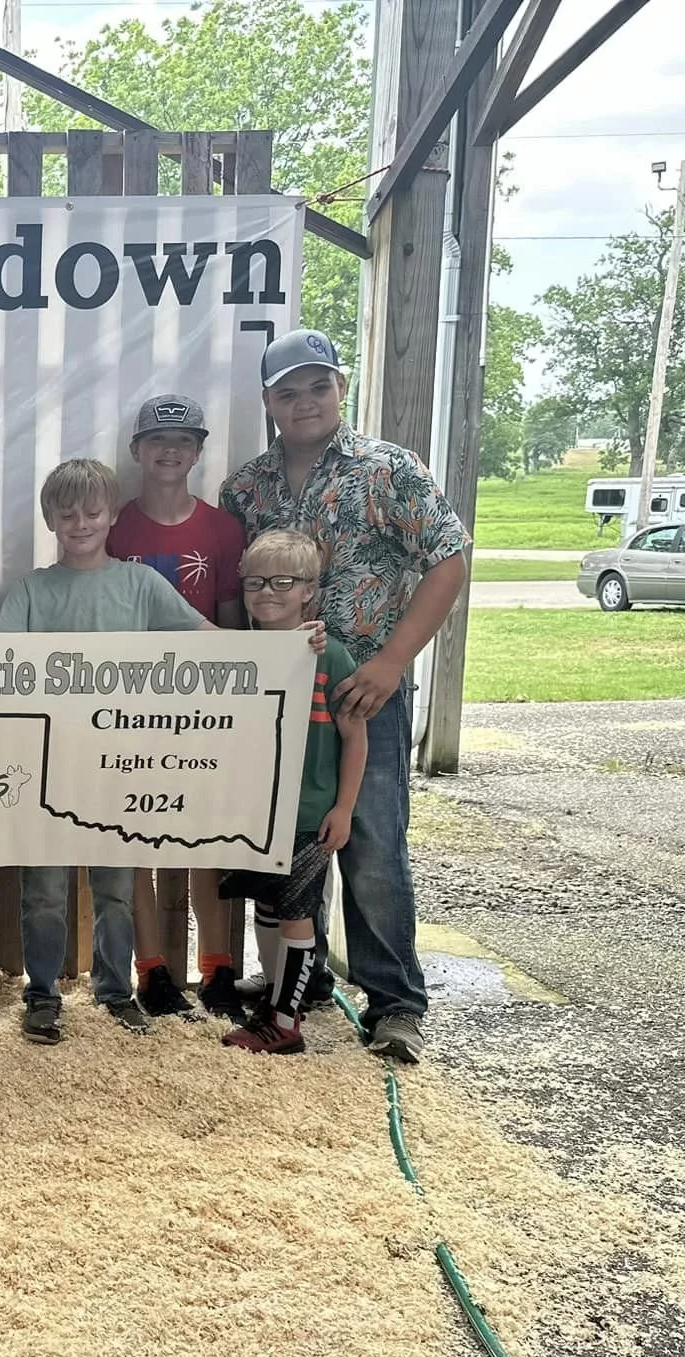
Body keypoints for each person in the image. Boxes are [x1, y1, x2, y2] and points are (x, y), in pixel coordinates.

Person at [218, 328, 472, 1065]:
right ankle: (306, 985)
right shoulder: (248, 486)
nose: (304, 402)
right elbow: (242, 589)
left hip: (362, 689)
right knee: (291, 842)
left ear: (341, 389)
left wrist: (393, 661)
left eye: (317, 386)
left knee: (370, 849)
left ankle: (395, 1003)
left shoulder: (387, 469)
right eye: (287, 391)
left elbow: (449, 558)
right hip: (273, 701)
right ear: (267, 402)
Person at [0, 459, 205, 1043]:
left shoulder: (140, 586)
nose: (80, 522)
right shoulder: (33, 591)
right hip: (47, 769)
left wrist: (283, 648)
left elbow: (206, 641)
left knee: (116, 888)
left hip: (121, 766)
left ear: (113, 514)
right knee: (43, 893)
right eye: (67, 513)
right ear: (50, 520)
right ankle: (42, 995)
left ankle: (115, 992)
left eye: (92, 511)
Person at [108, 395, 252, 1023]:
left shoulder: (223, 530)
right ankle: (152, 971)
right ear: (137, 451)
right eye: (157, 440)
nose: (170, 450)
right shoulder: (113, 528)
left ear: (198, 452)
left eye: (183, 440)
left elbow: (230, 621)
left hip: (202, 704)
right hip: (131, 703)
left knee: (207, 834)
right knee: (133, 833)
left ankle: (216, 970)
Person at [216, 531, 367, 1054]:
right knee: (269, 903)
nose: (267, 592)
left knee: (298, 913)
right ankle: (276, 992)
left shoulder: (332, 658)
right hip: (259, 808)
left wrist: (344, 807)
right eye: (255, 582)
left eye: (284, 581)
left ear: (309, 590)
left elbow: (355, 738)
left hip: (307, 812)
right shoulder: (240, 651)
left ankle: (286, 1022)